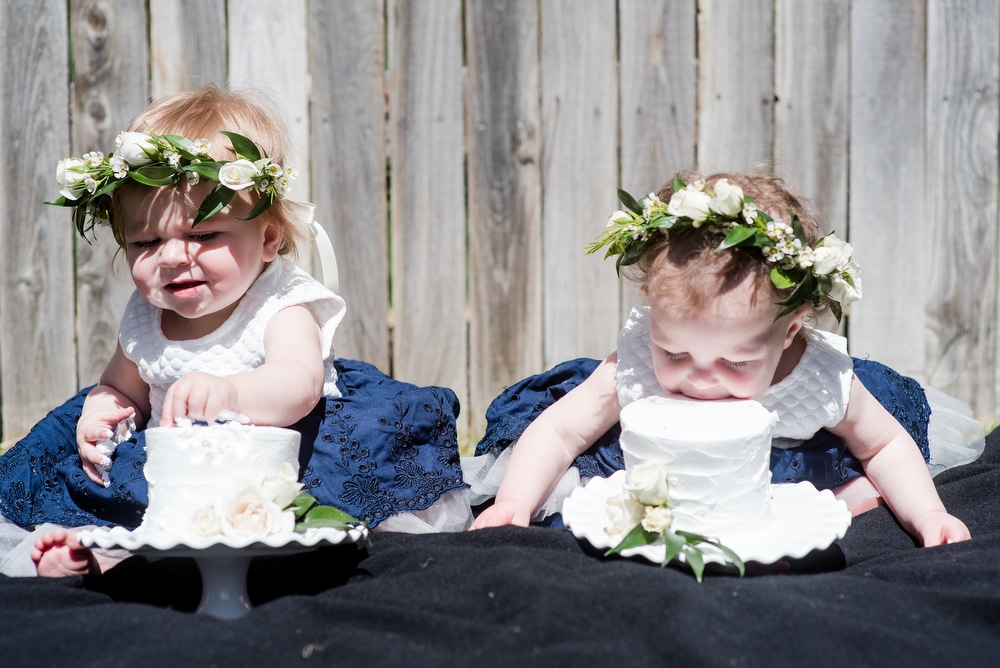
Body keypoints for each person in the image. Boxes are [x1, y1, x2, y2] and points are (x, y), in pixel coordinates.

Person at [0, 85, 471, 577]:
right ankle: (100, 552)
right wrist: (106, 406)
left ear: (268, 238)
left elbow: (299, 382)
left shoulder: (279, 305)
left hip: (287, 456)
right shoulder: (145, 317)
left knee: (340, 475)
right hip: (173, 472)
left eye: (203, 235)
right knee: (98, 472)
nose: (174, 256)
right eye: (146, 242)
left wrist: (230, 392)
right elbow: (122, 384)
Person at [466, 171, 984, 548]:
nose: (700, 379)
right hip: (659, 469)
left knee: (858, 476)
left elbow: (885, 443)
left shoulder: (820, 378)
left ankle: (846, 498)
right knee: (584, 481)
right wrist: (513, 502)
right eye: (674, 352)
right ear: (651, 308)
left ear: (791, 332)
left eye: (735, 363)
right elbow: (561, 431)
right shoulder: (635, 361)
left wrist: (928, 515)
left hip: (789, 462)